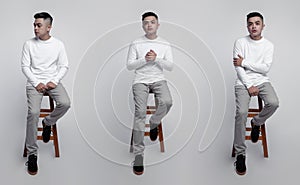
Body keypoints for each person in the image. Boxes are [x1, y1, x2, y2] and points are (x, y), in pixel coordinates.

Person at [21, 12, 71, 175]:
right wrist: (37, 83)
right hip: (34, 83)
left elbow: (64, 66)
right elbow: (25, 67)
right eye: (34, 25)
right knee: (33, 113)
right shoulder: (28, 44)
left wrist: (54, 81)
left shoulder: (58, 44)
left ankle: (48, 123)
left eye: (39, 25)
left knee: (65, 103)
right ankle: (33, 154)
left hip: (52, 82)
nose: (35, 28)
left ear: (49, 27)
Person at [127, 11, 173, 175]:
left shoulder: (165, 43)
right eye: (146, 22)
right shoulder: (136, 43)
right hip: (140, 80)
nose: (149, 25)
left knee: (167, 102)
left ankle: (154, 121)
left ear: (158, 24)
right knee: (139, 113)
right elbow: (130, 66)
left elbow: (170, 66)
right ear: (142, 25)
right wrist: (145, 60)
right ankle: (139, 155)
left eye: (152, 22)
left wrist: (156, 59)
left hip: (158, 79)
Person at [233, 12, 279, 175]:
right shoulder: (240, 42)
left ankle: (257, 123)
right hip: (243, 81)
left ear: (263, 26)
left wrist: (244, 62)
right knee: (241, 112)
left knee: (273, 103)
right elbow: (238, 68)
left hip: (262, 80)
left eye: (257, 23)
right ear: (247, 26)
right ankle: (240, 153)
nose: (254, 26)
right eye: (250, 23)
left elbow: (265, 68)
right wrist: (249, 84)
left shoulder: (269, 45)